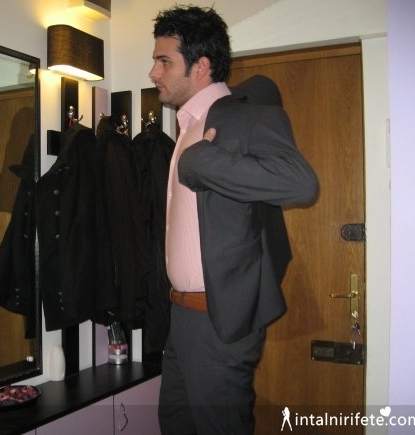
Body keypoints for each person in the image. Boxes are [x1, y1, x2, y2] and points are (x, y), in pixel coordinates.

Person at [149, 5, 318, 434]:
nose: (153, 72)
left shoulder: (245, 115)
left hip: (218, 322)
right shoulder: (186, 125)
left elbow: (300, 183)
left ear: (201, 66)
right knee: (175, 425)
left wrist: (203, 162)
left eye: (164, 61)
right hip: (181, 318)